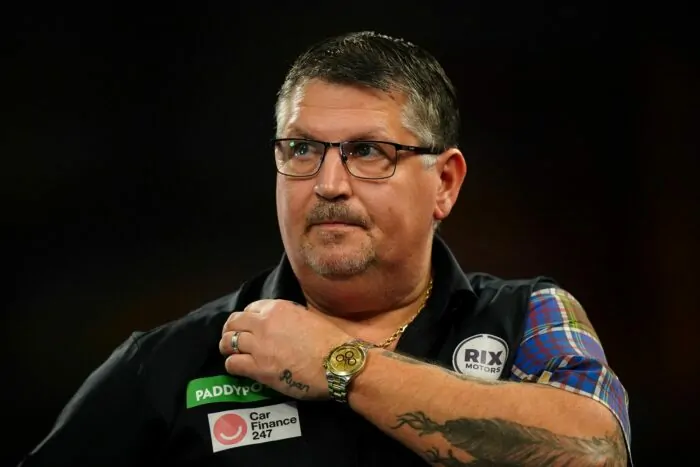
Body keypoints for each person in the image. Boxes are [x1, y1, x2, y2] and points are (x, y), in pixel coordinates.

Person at [19, 31, 632, 466]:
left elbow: (598, 452)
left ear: (444, 183)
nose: (329, 183)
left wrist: (342, 364)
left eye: (368, 151)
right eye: (302, 149)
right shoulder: (167, 365)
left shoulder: (528, 317)